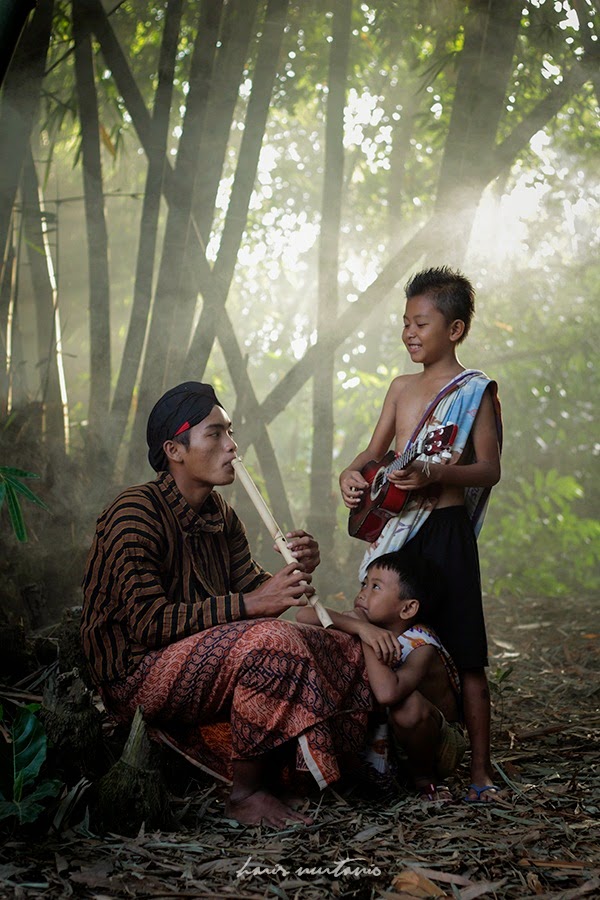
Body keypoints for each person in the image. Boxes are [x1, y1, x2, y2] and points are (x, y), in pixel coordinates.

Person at [81, 382, 371, 828]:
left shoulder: (222, 515)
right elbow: (148, 623)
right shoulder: (134, 511)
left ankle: (339, 768)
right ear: (175, 450)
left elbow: (257, 592)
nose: (232, 446)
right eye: (214, 434)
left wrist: (294, 574)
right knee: (271, 642)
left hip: (207, 656)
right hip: (135, 673)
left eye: (229, 432)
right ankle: (246, 794)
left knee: (342, 647)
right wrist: (256, 602)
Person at [339, 267, 503, 804]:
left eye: (421, 323)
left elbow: (488, 470)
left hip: (447, 530)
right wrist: (352, 473)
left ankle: (479, 772)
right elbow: (372, 453)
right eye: (405, 323)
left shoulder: (475, 391)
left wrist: (435, 474)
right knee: (379, 630)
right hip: (401, 533)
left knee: (468, 649)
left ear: (454, 330)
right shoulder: (400, 389)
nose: (409, 333)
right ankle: (387, 759)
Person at [297, 550, 466, 802]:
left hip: (437, 747)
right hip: (390, 741)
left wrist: (366, 635)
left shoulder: (422, 644)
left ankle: (425, 780)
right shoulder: (366, 624)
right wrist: (361, 627)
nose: (364, 592)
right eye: (364, 583)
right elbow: (304, 616)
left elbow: (388, 693)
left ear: (408, 608)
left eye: (376, 587)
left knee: (407, 707)